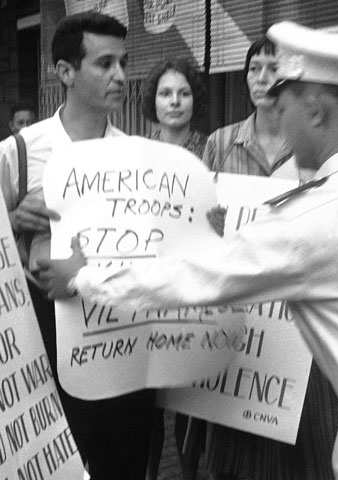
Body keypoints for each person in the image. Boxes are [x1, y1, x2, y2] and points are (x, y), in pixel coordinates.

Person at [39, 21, 338, 480]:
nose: (280, 121)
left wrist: (83, 275)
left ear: (315, 110)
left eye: (283, 104)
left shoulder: (321, 212)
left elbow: (197, 276)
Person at [0, 11, 156, 480]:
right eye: (104, 64)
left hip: (121, 334)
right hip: (45, 336)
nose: (120, 76)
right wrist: (10, 219)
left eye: (123, 63)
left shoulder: (136, 155)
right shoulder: (19, 151)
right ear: (65, 72)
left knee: (123, 461)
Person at [201, 36, 338, 480]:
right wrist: (214, 224)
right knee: (239, 449)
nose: (264, 78)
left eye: (273, 69)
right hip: (245, 323)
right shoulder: (221, 144)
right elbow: (200, 230)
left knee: (310, 445)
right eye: (254, 68)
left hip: (302, 323)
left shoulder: (316, 146)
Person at [140, 56, 208, 480]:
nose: (175, 101)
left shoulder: (212, 149)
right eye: (166, 93)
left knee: (189, 406)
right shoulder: (134, 153)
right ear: (153, 101)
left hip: (193, 291)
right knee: (144, 406)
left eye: (183, 92)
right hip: (146, 292)